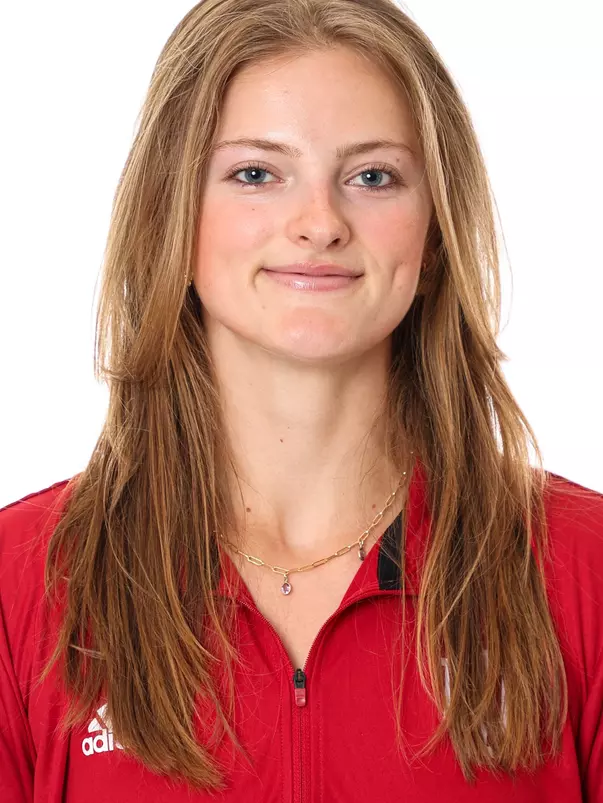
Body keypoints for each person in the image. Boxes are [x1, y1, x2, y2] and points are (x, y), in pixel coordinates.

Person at [1, 0, 602, 800]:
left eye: (371, 176)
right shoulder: (22, 585)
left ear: (432, 237)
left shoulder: (581, 569)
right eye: (256, 173)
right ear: (172, 217)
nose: (319, 222)